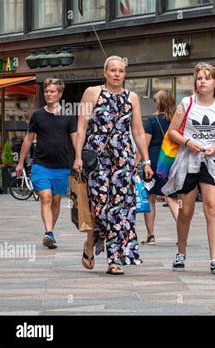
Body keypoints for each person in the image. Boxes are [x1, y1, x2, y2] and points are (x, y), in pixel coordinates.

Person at [73, 56, 153, 275]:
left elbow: (137, 131)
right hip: (97, 158)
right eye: (113, 70)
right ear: (105, 72)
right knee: (98, 207)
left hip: (123, 159)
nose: (117, 74)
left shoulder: (132, 97)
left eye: (121, 71)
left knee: (121, 209)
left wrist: (145, 161)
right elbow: (81, 126)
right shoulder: (92, 93)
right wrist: (78, 156)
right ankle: (90, 241)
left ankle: (114, 259)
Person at [162, 62, 215, 275]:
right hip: (188, 161)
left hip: (211, 162)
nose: (202, 81)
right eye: (199, 78)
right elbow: (172, 131)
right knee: (186, 210)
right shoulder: (187, 103)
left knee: (212, 206)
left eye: (207, 77)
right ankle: (181, 252)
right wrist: (187, 142)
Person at [16, 78, 77, 249]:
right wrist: (21, 162)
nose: (48, 94)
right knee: (46, 197)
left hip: (62, 166)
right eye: (46, 91)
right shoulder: (38, 115)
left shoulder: (68, 115)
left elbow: (75, 138)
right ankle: (48, 232)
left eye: (52, 91)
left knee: (56, 200)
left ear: (60, 94)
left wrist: (79, 158)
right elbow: (28, 139)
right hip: (41, 164)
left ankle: (50, 231)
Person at [136, 90, 179, 244]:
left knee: (150, 198)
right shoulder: (176, 120)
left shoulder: (152, 120)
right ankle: (182, 235)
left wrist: (136, 163)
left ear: (159, 103)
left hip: (154, 161)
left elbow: (144, 145)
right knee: (172, 198)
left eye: (155, 101)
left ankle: (151, 236)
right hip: (170, 160)